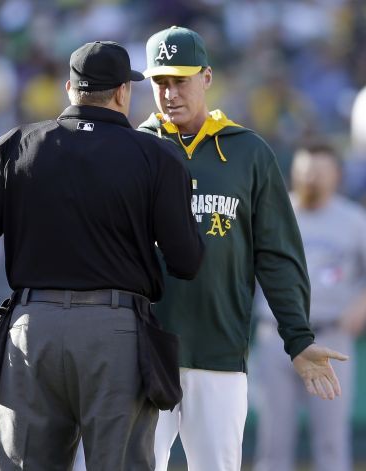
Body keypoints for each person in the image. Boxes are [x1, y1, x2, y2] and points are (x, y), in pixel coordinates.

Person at [0, 40, 205, 470]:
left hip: (31, 329)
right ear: (122, 93)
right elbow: (187, 261)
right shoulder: (157, 157)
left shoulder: (16, 145)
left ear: (69, 90)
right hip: (115, 331)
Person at [137, 25, 349, 471]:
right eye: (160, 82)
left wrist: (298, 336)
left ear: (207, 78)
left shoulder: (250, 152)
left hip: (219, 350)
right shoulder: (134, 148)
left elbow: (277, 255)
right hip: (141, 350)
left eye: (181, 80)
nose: (170, 93)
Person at [252, 142, 366, 471]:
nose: (311, 176)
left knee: (331, 442)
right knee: (272, 442)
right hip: (275, 336)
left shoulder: (354, 220)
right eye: (305, 169)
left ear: (337, 176)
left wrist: (360, 306)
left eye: (319, 170)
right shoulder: (272, 212)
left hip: (329, 336)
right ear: (293, 173)